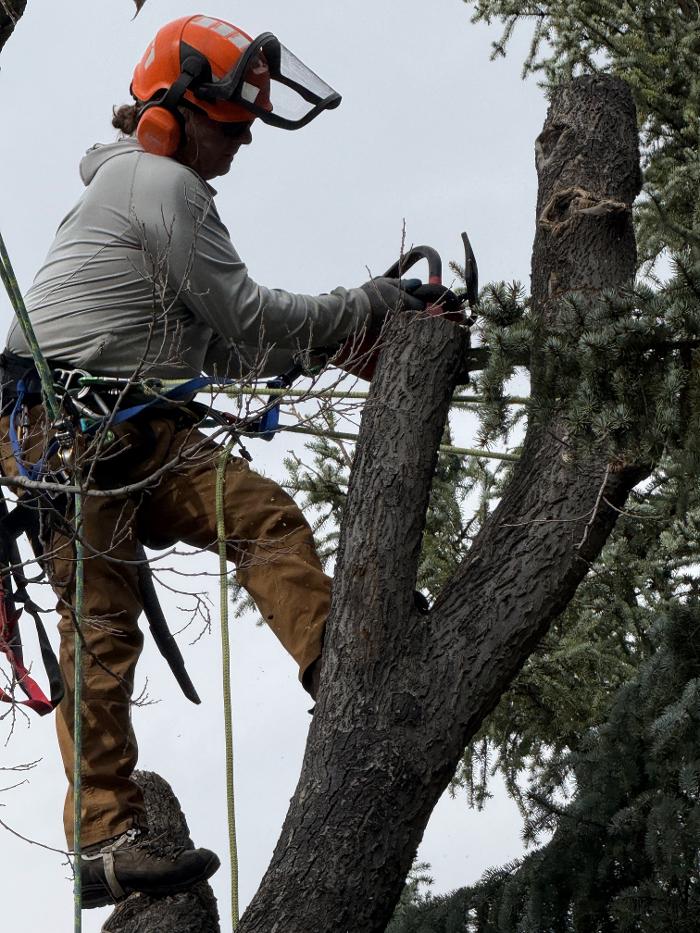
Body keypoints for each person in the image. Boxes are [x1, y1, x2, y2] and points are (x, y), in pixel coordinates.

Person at [0, 14, 430, 908]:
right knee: (102, 630)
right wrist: (374, 303)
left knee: (262, 517)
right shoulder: (155, 183)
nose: (238, 145)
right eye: (228, 126)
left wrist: (335, 345)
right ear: (172, 113)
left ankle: (342, 662)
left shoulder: (158, 197)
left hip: (135, 424)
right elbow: (248, 313)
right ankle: (105, 839)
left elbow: (233, 352)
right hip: (70, 430)